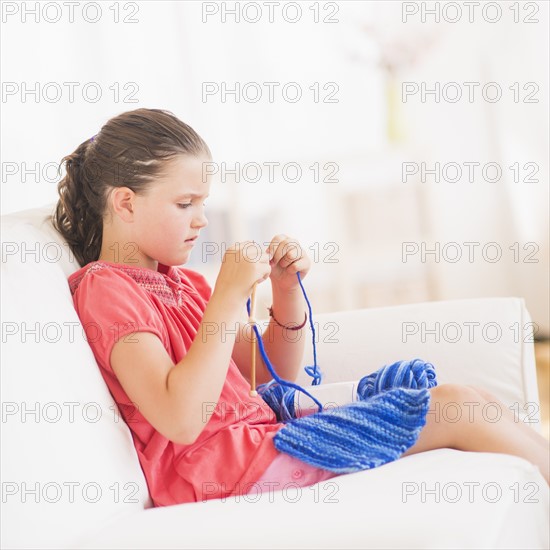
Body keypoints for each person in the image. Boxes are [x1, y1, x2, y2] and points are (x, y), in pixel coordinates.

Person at [53, 108, 549, 506]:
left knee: (467, 396)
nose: (202, 219)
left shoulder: (182, 284)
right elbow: (181, 419)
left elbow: (272, 373)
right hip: (214, 470)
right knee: (454, 408)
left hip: (256, 441)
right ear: (125, 203)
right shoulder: (106, 289)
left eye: (204, 203)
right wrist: (227, 298)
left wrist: (286, 291)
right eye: (185, 204)